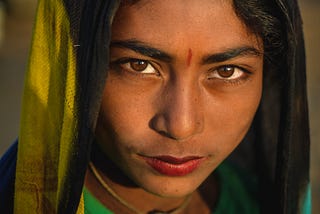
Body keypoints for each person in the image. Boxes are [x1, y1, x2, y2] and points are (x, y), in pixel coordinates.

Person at [0, 0, 311, 213]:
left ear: (270, 76)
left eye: (227, 71)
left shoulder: (265, 199)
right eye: (139, 65)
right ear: (75, 65)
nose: (180, 125)